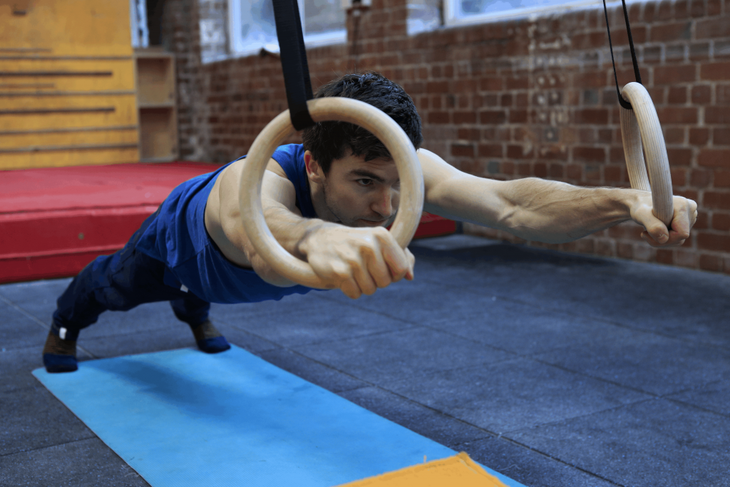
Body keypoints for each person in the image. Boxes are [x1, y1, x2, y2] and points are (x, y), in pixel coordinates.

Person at [42, 72, 698, 373]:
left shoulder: (399, 172)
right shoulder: (263, 174)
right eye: (364, 182)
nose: (388, 209)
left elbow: (510, 203)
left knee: (203, 297)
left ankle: (197, 310)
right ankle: (67, 321)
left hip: (235, 271)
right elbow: (258, 231)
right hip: (176, 246)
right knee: (119, 288)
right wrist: (316, 235)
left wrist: (623, 201)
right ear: (317, 168)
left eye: (395, 183)